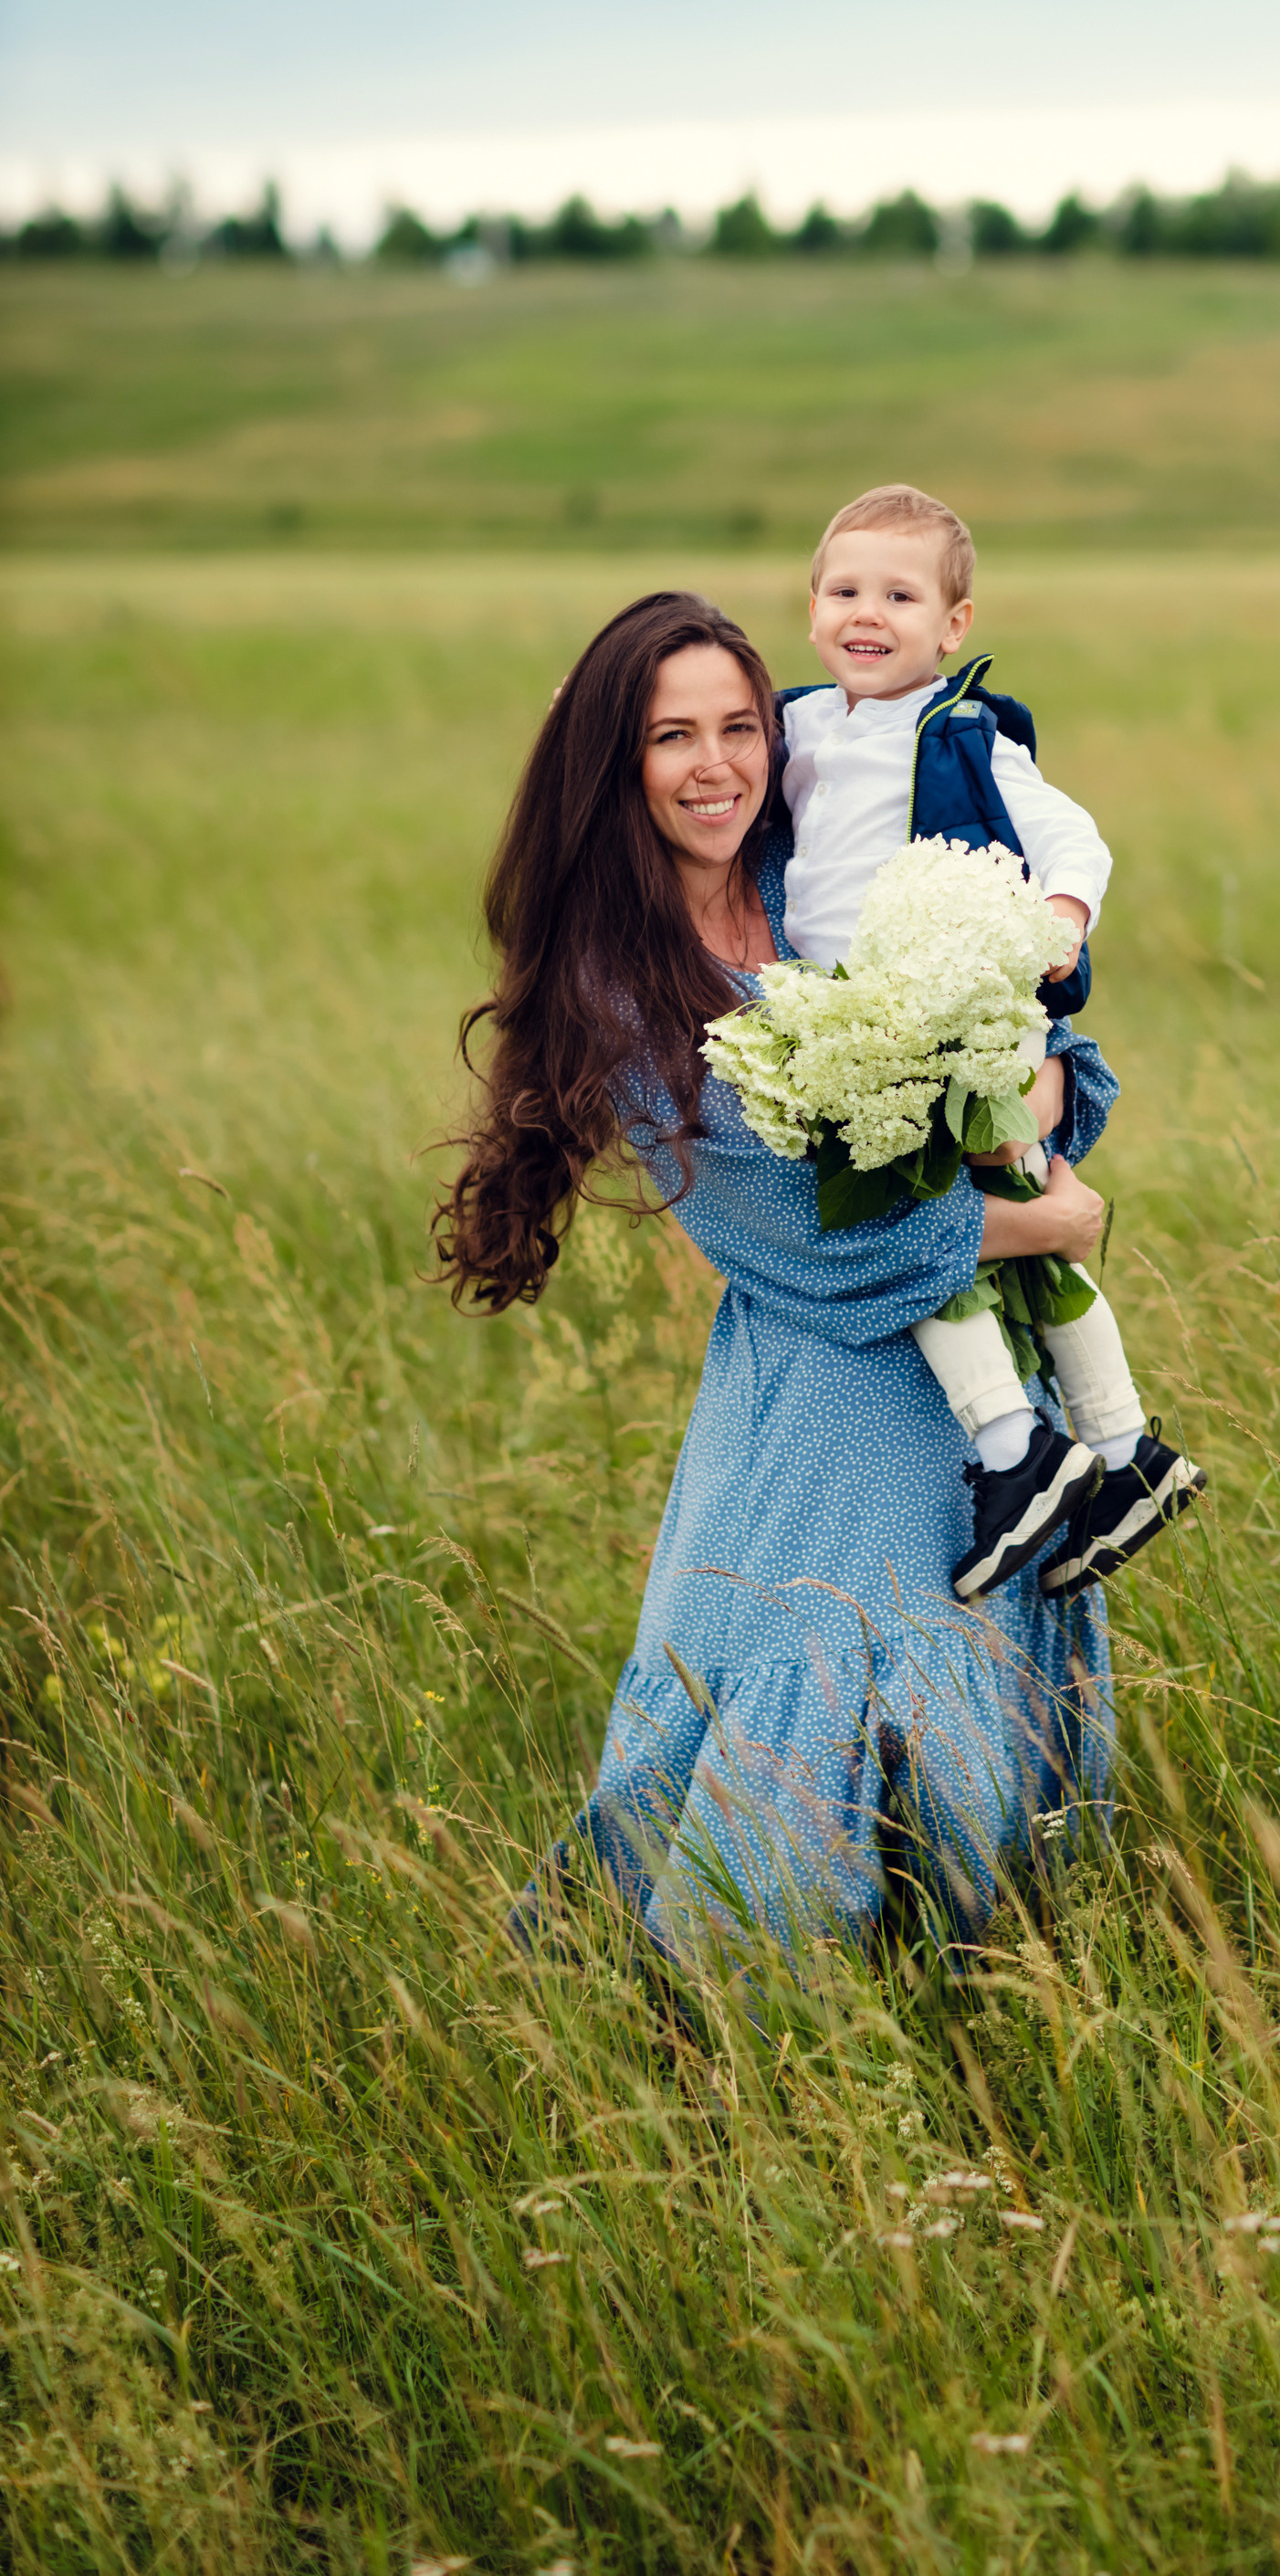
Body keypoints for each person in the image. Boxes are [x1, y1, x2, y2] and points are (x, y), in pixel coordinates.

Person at [435, 590, 1118, 1961]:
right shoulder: (620, 991)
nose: (716, 766)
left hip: (980, 1396)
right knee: (812, 1707)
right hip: (825, 1406)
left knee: (989, 1690)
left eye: (740, 726)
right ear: (614, 768)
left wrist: (1028, 1087)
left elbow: (1041, 1055)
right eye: (670, 736)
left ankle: (990, 1996)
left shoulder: (828, 877)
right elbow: (815, 1235)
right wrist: (1047, 1226)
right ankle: (761, 2024)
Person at [782, 482, 1204, 1605]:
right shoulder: (803, 720)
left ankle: (1018, 1447)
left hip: (958, 1015)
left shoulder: (958, 728)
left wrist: (1061, 914)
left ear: (953, 625)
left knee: (924, 1229)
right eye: (843, 589)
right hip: (868, 1024)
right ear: (811, 605)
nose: (866, 613)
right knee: (1008, 1236)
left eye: (899, 594)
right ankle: (1121, 1455)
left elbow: (1075, 834)